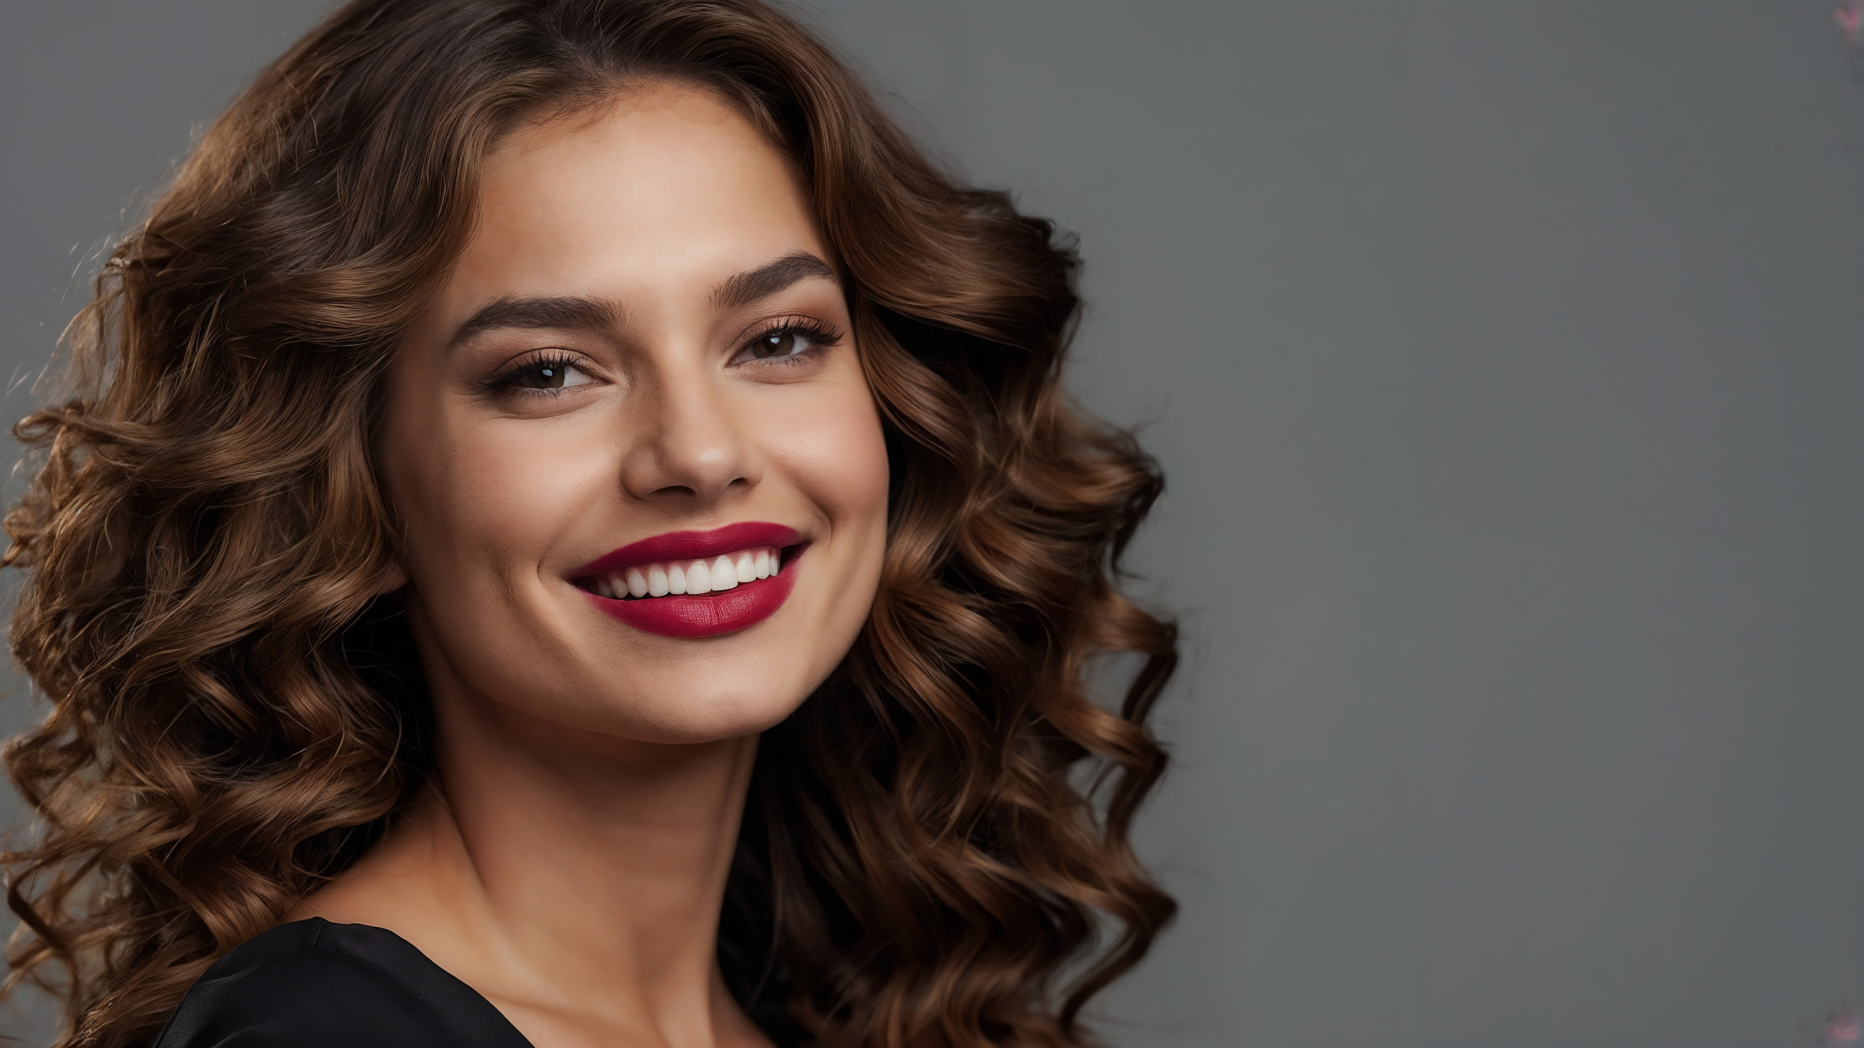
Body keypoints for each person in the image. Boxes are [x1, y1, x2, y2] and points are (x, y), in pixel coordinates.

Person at [0, 1, 1178, 1046]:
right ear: (351, 485)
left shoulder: (813, 1008)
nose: (702, 455)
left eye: (777, 339)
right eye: (551, 371)